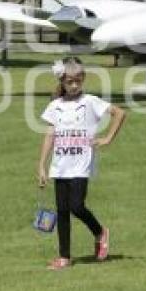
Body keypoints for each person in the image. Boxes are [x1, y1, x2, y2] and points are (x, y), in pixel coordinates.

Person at [37, 57, 127, 270]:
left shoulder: (90, 101)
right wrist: (41, 165)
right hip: (60, 165)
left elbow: (119, 113)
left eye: (78, 80)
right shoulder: (55, 106)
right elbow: (49, 135)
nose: (75, 85)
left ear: (83, 79)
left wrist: (107, 138)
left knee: (76, 206)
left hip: (81, 164)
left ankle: (99, 232)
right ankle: (64, 257)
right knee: (62, 211)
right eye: (70, 81)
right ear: (62, 81)